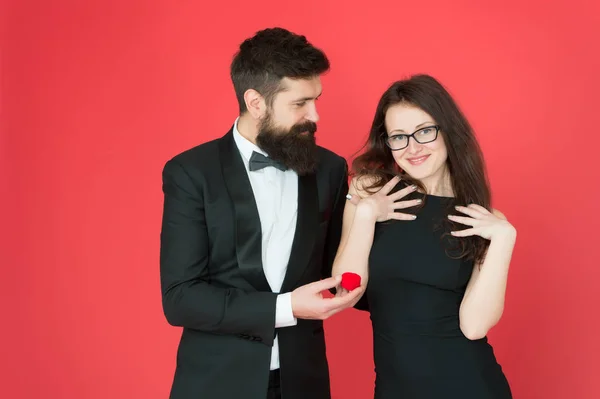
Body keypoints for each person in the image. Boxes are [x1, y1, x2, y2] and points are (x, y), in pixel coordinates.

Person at [159, 27, 363, 399]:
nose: (315, 115)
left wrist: (367, 213)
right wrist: (287, 307)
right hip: (216, 384)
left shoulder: (331, 169)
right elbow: (180, 299)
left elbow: (345, 275)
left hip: (304, 383)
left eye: (316, 99)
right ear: (255, 102)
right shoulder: (190, 172)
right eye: (300, 103)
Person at [333, 74, 515, 398]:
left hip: (470, 386)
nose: (412, 147)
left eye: (425, 131)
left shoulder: (482, 220)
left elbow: (474, 327)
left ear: (448, 131)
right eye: (398, 137)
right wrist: (365, 216)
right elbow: (345, 289)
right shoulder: (368, 193)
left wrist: (504, 239)